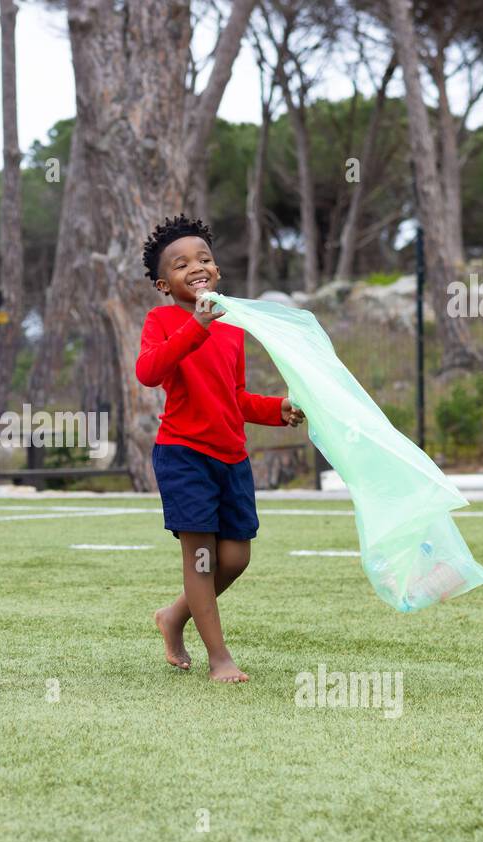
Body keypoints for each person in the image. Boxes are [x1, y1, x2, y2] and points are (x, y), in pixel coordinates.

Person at [136, 215, 305, 682]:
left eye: (204, 258)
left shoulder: (233, 327)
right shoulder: (163, 320)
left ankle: (173, 616)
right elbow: (148, 371)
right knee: (202, 558)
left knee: (235, 558)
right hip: (183, 455)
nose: (197, 266)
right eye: (181, 263)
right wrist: (196, 326)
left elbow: (235, 396)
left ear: (218, 271)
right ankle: (219, 657)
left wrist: (278, 408)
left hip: (231, 457)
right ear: (162, 283)